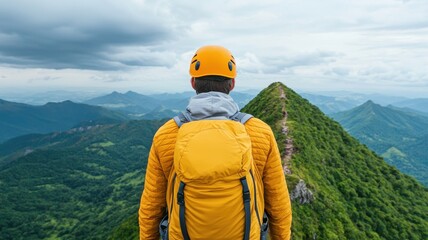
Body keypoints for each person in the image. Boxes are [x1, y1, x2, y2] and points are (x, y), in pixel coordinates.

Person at [139, 45, 292, 240]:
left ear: (193, 82)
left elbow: (151, 206)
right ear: (233, 84)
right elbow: (278, 204)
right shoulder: (259, 132)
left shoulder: (167, 135)